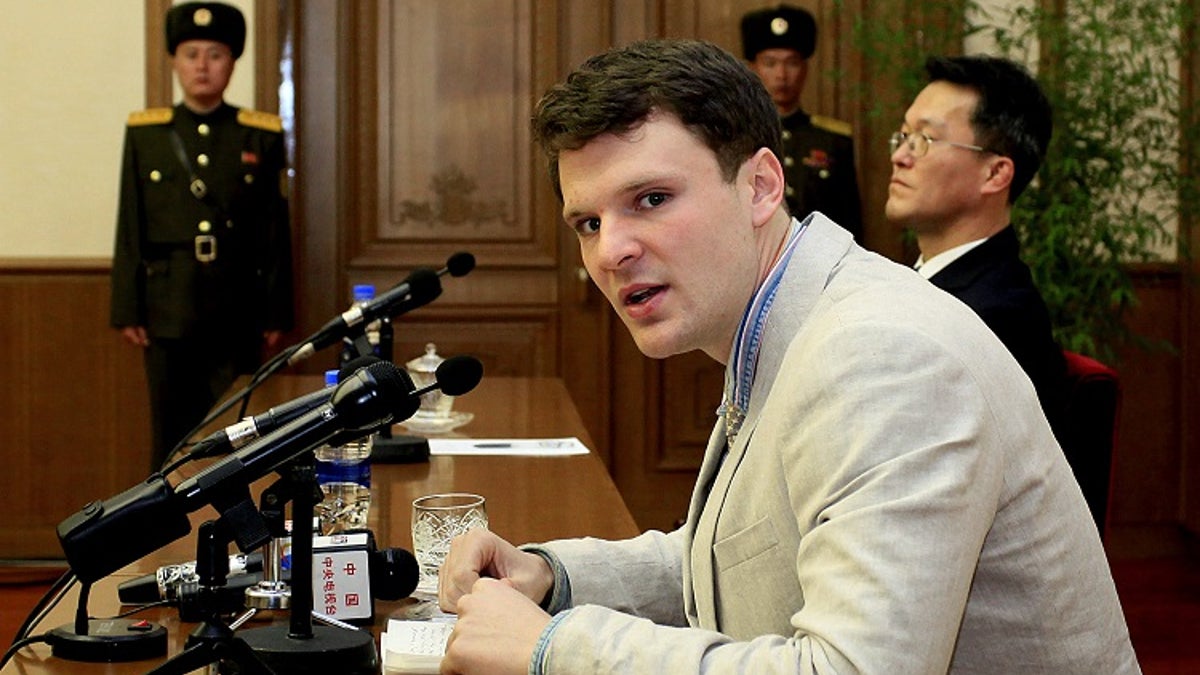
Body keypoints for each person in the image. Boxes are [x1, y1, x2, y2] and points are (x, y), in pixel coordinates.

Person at [434, 39, 1139, 674]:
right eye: (588, 222)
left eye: (651, 198)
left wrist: (555, 647)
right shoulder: (784, 316)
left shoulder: (880, 355)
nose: (609, 251)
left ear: (763, 187)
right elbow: (741, 555)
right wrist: (553, 577)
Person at [110, 1, 294, 471]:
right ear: (175, 61)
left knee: (238, 431)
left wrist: (277, 308)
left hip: (239, 308)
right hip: (167, 307)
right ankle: (167, 540)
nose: (202, 66)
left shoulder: (260, 135)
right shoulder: (147, 134)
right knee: (170, 434)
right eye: (191, 54)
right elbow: (130, 222)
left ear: (232, 64)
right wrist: (128, 306)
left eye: (215, 54)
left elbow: (275, 230)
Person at [885, 55, 1068, 438]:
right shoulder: (922, 285)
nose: (899, 157)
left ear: (995, 173)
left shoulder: (994, 316)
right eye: (903, 136)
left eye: (924, 140)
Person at [741, 4, 862, 239]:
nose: (782, 74)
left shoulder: (833, 140)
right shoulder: (737, 137)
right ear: (753, 67)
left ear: (805, 68)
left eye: (792, 62)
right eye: (770, 63)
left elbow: (850, 224)